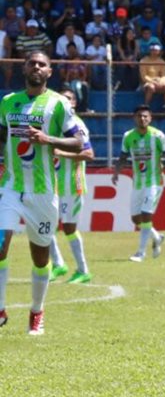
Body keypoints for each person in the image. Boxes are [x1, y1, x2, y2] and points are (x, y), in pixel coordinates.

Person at [0, 51, 86, 335]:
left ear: (49, 72)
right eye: (31, 63)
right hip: (11, 187)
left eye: (41, 64)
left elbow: (80, 142)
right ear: (24, 68)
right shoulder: (8, 102)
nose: (36, 67)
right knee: (0, 245)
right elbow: (2, 137)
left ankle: (37, 312)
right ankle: (0, 310)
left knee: (40, 258)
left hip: (43, 193)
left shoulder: (58, 104)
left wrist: (47, 139)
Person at [112, 106, 165, 263]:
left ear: (150, 118)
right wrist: (116, 172)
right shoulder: (128, 136)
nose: (142, 119)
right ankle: (157, 237)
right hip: (138, 183)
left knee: (146, 215)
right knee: (136, 219)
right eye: (139, 116)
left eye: (145, 116)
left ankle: (140, 253)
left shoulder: (157, 136)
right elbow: (123, 155)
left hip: (154, 182)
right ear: (134, 118)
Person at [47, 88, 95, 284]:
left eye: (68, 99)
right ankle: (58, 264)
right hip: (54, 183)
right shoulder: (55, 124)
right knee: (45, 225)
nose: (64, 102)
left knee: (68, 227)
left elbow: (89, 154)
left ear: (73, 103)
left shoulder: (78, 125)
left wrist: (61, 153)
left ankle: (83, 270)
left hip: (72, 185)